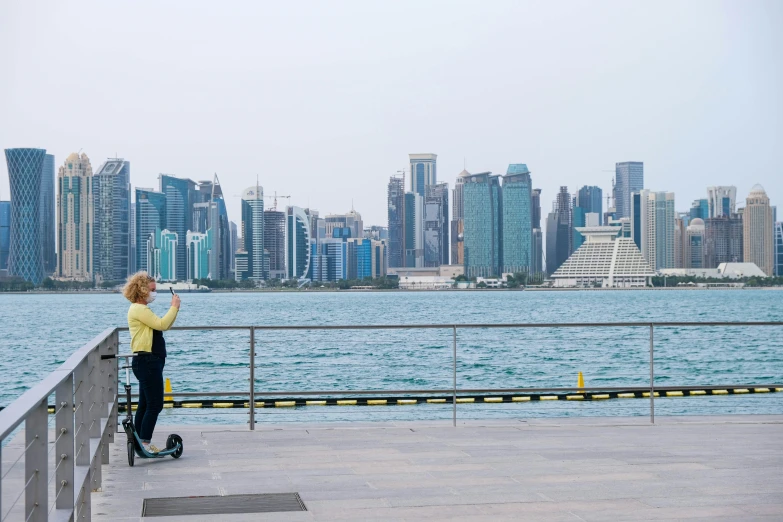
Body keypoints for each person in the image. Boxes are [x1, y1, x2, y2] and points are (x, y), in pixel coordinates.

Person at [122, 272, 181, 454]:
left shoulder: (141, 309)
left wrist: (173, 311)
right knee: (155, 404)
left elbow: (162, 325)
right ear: (142, 290)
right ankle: (144, 442)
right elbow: (162, 324)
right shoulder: (139, 309)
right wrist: (174, 307)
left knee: (145, 404)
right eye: (152, 290)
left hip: (147, 361)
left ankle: (138, 441)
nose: (154, 294)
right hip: (147, 361)